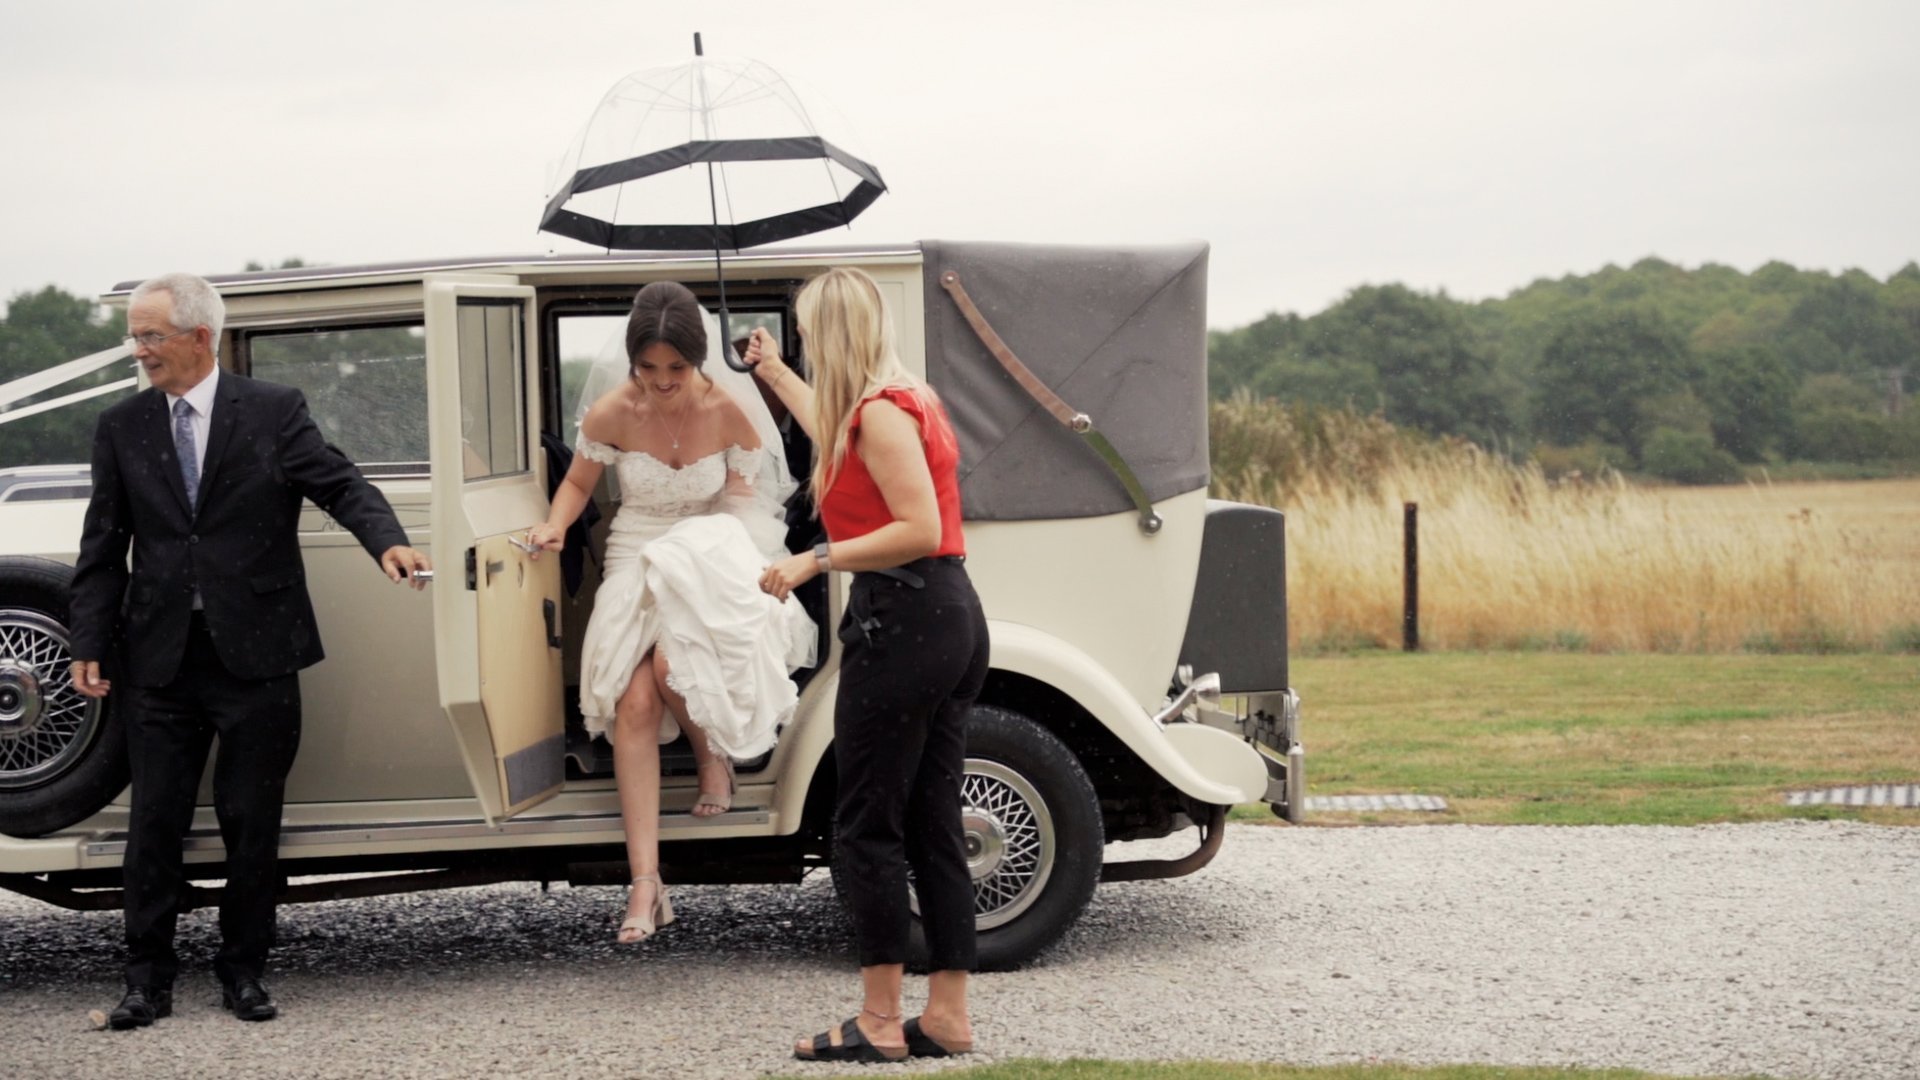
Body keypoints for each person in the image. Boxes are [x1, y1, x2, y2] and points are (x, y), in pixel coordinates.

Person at [68, 272, 431, 1029]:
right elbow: (102, 545)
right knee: (154, 825)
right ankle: (146, 982)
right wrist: (89, 640)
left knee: (251, 819)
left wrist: (387, 542)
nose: (138, 350)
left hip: (259, 656)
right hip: (158, 661)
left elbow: (339, 482)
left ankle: (244, 972)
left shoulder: (273, 411)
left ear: (201, 337)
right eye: (134, 335)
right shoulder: (121, 426)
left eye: (150, 336)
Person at [748, 267, 988, 1063]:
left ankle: (881, 1020)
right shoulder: (899, 400)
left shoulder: (881, 416)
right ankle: (946, 1015)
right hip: (949, 615)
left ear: (836, 336)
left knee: (866, 827)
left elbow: (917, 525)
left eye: (810, 335)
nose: (806, 345)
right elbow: (838, 430)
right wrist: (771, 370)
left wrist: (817, 559)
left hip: (905, 621)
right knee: (930, 821)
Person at [526, 282, 813, 945]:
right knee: (632, 700)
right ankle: (646, 883)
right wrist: (556, 527)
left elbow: (746, 499)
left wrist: (712, 550)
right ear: (632, 365)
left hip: (712, 544)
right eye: (647, 369)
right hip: (638, 548)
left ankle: (711, 752)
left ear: (697, 361)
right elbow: (577, 482)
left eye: (675, 370)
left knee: (669, 657)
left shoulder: (729, 409)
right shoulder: (612, 412)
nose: (661, 383)